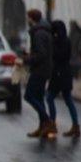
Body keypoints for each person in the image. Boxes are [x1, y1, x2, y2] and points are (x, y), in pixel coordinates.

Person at [23, 9, 55, 139]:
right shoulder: (43, 31)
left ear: (31, 19)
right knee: (39, 97)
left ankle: (47, 121)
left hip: (39, 70)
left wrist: (27, 59)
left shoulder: (38, 34)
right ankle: (43, 127)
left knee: (29, 96)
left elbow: (41, 54)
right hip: (45, 69)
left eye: (28, 17)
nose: (27, 20)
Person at [48, 20, 80, 137]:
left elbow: (59, 56)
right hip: (64, 73)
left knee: (50, 97)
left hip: (59, 74)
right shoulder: (66, 40)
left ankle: (52, 123)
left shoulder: (60, 42)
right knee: (68, 99)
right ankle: (75, 126)